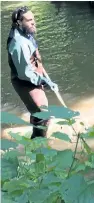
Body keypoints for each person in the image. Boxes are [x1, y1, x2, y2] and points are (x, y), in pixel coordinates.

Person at [7, 6, 59, 139]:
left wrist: (45, 77)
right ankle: (37, 148)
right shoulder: (19, 44)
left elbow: (33, 59)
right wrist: (43, 81)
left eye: (33, 19)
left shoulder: (25, 34)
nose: (33, 22)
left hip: (33, 78)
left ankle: (39, 142)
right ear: (19, 22)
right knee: (42, 116)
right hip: (25, 83)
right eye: (29, 20)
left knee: (42, 113)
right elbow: (24, 73)